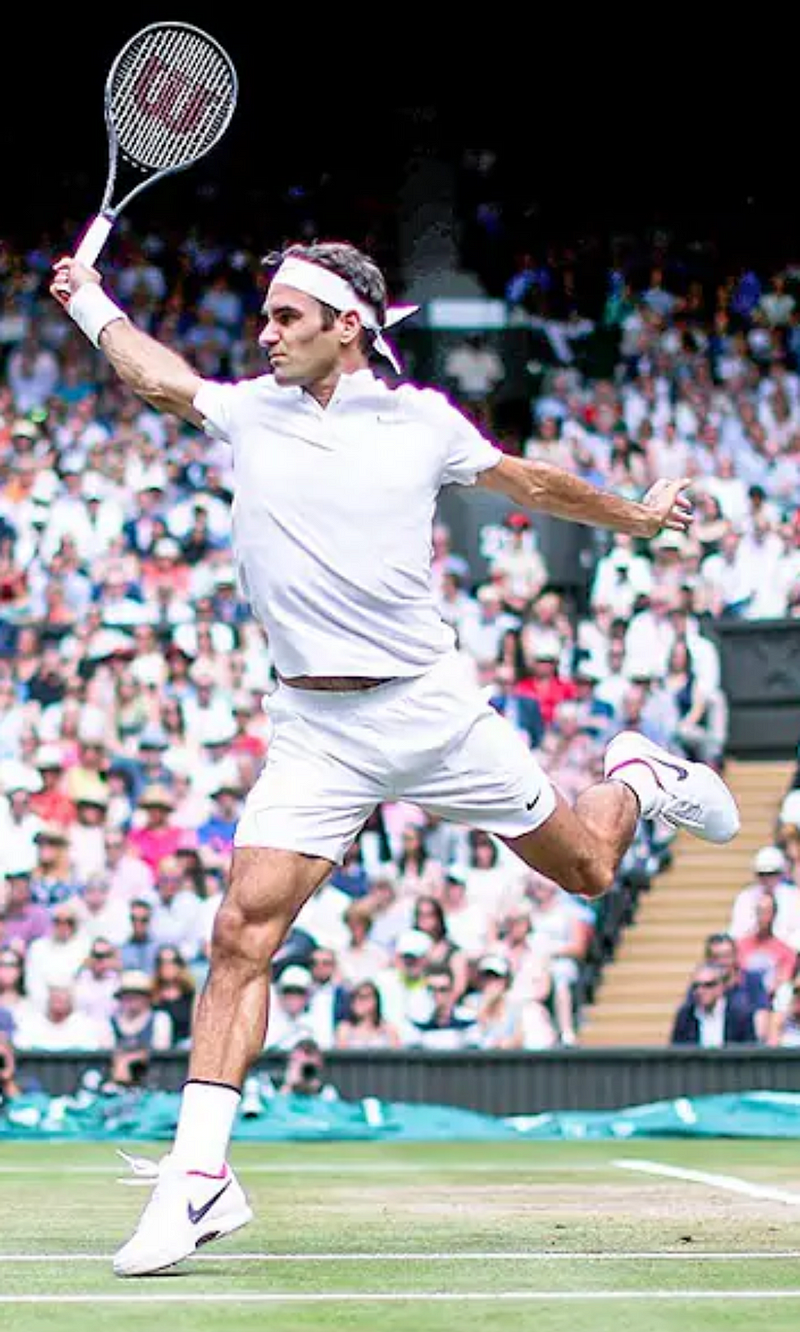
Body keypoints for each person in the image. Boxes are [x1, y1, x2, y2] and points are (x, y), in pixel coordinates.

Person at [50, 236, 740, 1277]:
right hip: (314, 731)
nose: (265, 332)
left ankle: (638, 778)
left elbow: (531, 485)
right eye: (267, 315)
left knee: (589, 872)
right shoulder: (248, 410)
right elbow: (157, 376)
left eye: (288, 317)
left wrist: (635, 517)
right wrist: (89, 301)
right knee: (242, 931)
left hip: (429, 712)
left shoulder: (420, 423)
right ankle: (199, 1183)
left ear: (348, 327)